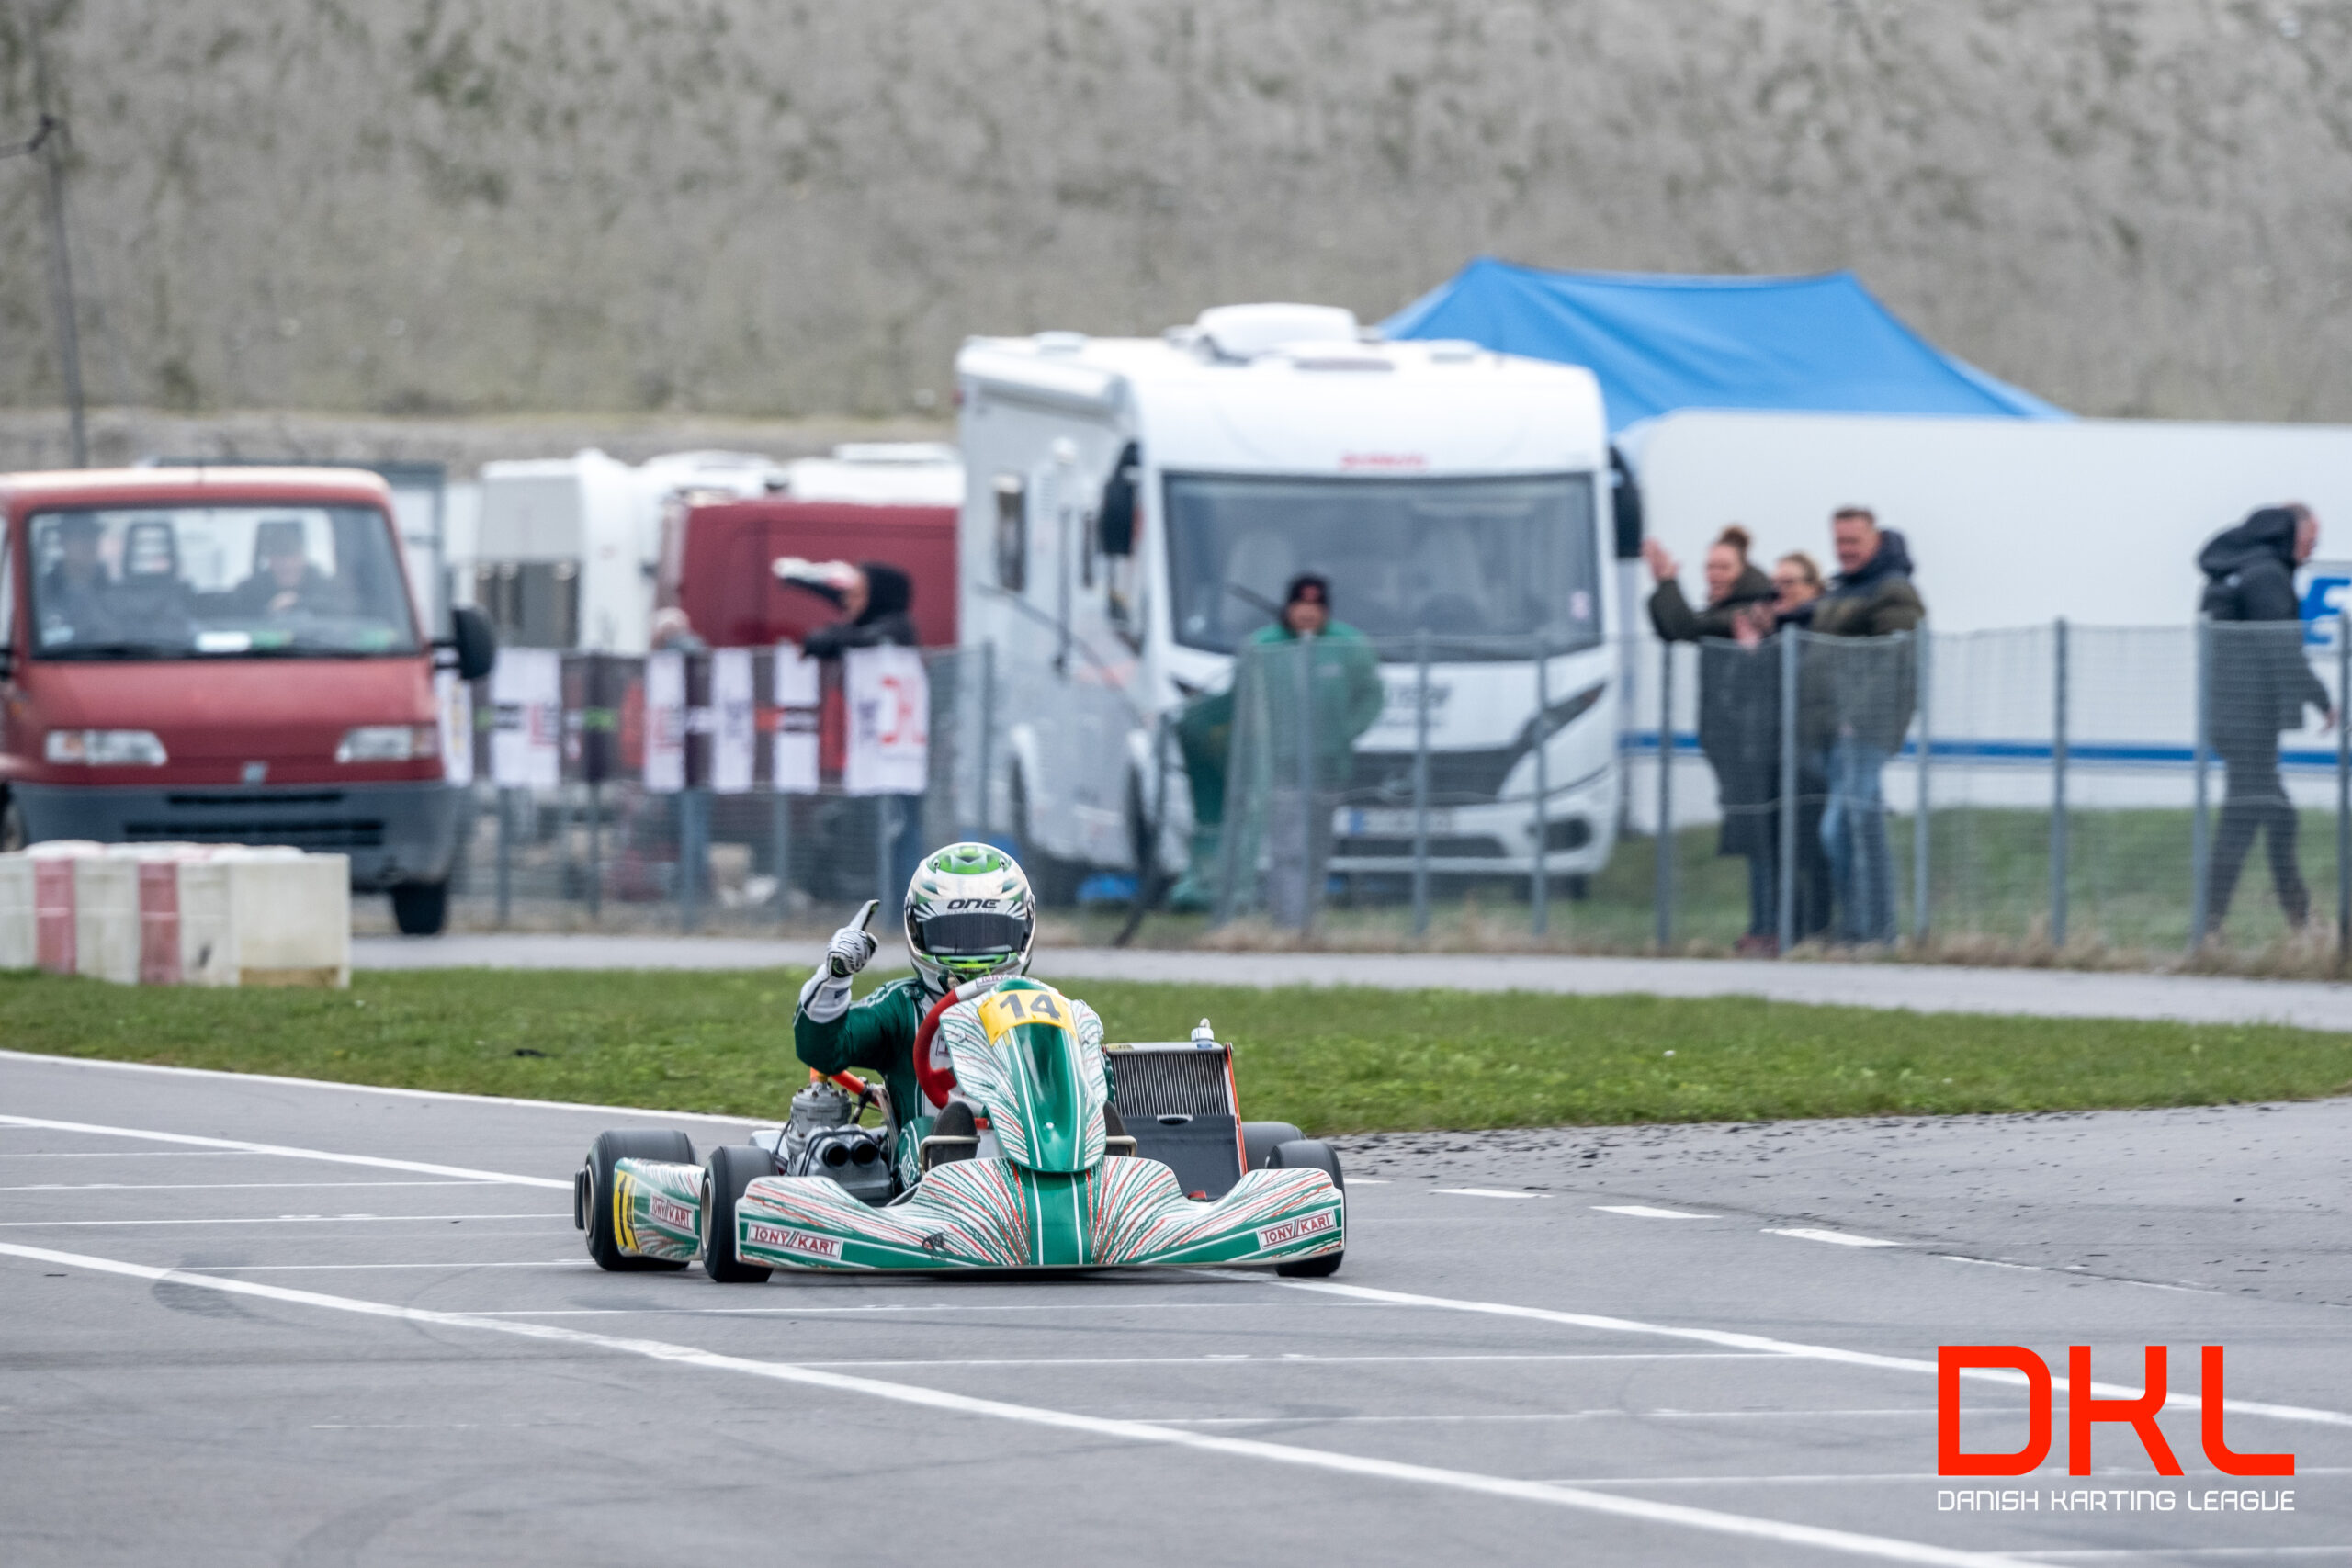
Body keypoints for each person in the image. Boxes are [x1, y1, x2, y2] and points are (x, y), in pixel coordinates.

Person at [794, 842, 1116, 1185]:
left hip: (1043, 1165)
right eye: (955, 935)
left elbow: (1093, 1085)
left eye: (989, 933)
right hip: (933, 1182)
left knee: (1104, 1115)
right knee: (930, 1130)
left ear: (1022, 929)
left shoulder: (1045, 1008)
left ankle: (1103, 1186)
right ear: (919, 930)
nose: (973, 955)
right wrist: (835, 977)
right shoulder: (903, 1007)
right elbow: (822, 1050)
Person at [1643, 527, 1782, 952]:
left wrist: (1667, 582)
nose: (1714, 575)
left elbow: (1686, 625)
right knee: (1752, 837)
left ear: (1743, 570)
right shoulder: (1730, 610)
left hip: (1752, 745)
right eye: (1709, 567)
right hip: (1731, 745)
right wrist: (1664, 587)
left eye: (1723, 567)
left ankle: (1770, 927)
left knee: (1761, 838)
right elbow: (1676, 629)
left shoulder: (1749, 611)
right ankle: (1764, 925)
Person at [2198, 504, 2334, 931]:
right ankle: (2212, 926)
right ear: (2287, 534)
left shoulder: (2241, 572)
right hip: (2251, 722)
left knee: (2272, 817)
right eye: (2309, 541)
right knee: (2249, 821)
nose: (2310, 553)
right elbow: (2282, 650)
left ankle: (2295, 921)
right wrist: (2322, 699)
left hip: (2232, 718)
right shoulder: (2268, 578)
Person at [1804, 508, 1925, 944]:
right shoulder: (1843, 589)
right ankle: (1863, 931)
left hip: (1865, 731)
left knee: (1843, 827)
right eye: (1839, 542)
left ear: (1874, 540)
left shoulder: (1892, 590)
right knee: (1859, 829)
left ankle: (1875, 931)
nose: (1845, 550)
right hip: (1834, 731)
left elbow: (1898, 656)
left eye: (1853, 541)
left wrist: (1860, 715)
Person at [781, 559, 924, 895]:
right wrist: (805, 581)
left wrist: (827, 640)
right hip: (877, 754)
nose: (850, 603)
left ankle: (905, 903)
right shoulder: (877, 621)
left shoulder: (895, 628)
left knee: (902, 830)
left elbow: (860, 638)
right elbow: (844, 607)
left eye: (860, 594)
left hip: (900, 758)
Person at [1249, 573, 1384, 929]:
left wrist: (1344, 732)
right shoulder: (1263, 647)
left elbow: (1370, 695)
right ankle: (1288, 923)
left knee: (1317, 847)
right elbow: (1246, 702)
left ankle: (1308, 916)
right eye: (1300, 605)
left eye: (1315, 606)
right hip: (1280, 766)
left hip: (1329, 767)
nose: (1308, 613)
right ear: (1288, 607)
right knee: (1288, 846)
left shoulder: (1348, 645)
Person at [230, 519, 345, 618]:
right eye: (279, 554)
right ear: (269, 558)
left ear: (303, 555)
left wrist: (300, 603)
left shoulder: (327, 589)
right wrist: (267, 613)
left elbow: (343, 614)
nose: (287, 564)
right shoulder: (247, 592)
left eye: (292, 553)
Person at [34, 513, 116, 645]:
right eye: (81, 536)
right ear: (63, 541)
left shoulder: (115, 592)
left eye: (93, 535)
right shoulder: (41, 594)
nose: (89, 544)